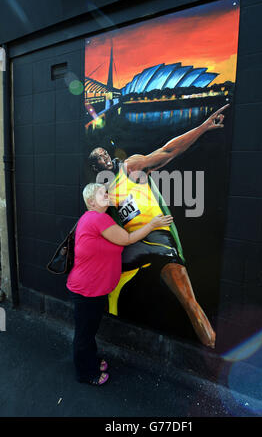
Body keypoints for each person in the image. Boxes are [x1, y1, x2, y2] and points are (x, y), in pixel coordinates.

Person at [88, 104, 229, 349]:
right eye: (98, 157)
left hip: (158, 236)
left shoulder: (130, 167)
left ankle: (213, 348)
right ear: (95, 168)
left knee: (188, 301)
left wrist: (203, 128)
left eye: (104, 153)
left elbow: (168, 150)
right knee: (109, 281)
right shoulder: (105, 195)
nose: (104, 157)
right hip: (135, 244)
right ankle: (99, 324)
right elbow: (96, 226)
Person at [67, 182, 173, 386]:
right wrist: (153, 224)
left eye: (106, 192)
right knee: (84, 334)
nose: (106, 195)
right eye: (101, 193)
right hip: (86, 291)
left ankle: (91, 361)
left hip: (92, 290)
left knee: (89, 331)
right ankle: (85, 373)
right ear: (91, 202)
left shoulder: (94, 218)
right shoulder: (98, 218)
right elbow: (128, 238)